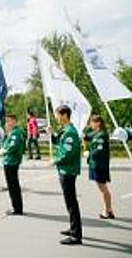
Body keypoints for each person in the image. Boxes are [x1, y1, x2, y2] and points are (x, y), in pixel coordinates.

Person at [48, 105, 82, 245]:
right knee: (69, 202)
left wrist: (55, 161)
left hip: (68, 171)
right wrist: (51, 134)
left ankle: (76, 236)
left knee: (71, 203)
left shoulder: (70, 132)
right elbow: (58, 142)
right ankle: (72, 228)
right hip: (64, 170)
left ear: (64, 115)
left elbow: (68, 153)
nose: (56, 118)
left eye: (57, 115)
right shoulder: (64, 130)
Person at [85, 115, 114, 219]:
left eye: (92, 122)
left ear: (98, 123)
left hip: (100, 165)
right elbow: (86, 136)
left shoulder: (102, 135)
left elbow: (98, 151)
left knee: (103, 188)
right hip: (95, 165)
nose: (90, 124)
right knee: (102, 188)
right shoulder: (96, 133)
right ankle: (109, 210)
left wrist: (89, 153)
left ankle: (107, 210)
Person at [0, 114, 25, 215]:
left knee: (13, 185)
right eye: (6, 121)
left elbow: (13, 147)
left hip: (11, 161)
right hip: (9, 161)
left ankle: (17, 208)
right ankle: (16, 206)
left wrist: (4, 151)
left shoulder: (16, 133)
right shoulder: (12, 132)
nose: (7, 123)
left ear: (14, 121)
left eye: (9, 121)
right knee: (12, 185)